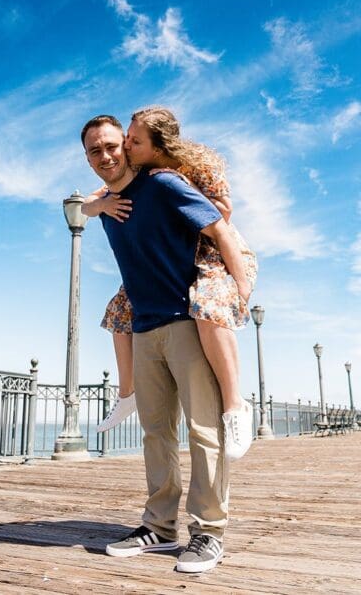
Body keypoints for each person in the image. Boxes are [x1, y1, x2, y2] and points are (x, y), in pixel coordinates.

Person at [81, 114, 243, 574]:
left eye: (114, 145)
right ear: (88, 158)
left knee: (203, 430)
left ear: (128, 146)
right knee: (156, 434)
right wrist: (95, 208)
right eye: (95, 150)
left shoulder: (164, 184)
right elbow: (73, 208)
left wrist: (240, 291)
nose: (106, 155)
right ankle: (160, 527)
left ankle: (209, 532)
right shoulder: (105, 201)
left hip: (187, 322)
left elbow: (218, 228)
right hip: (143, 328)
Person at [85, 107, 257, 461]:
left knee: (210, 311)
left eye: (132, 141)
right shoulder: (138, 174)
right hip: (188, 258)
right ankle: (127, 394)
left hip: (217, 254)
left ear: (156, 145)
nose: (126, 147)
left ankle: (235, 405)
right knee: (119, 312)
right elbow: (83, 205)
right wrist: (101, 205)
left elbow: (223, 217)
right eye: (127, 138)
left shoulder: (176, 175)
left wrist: (241, 287)